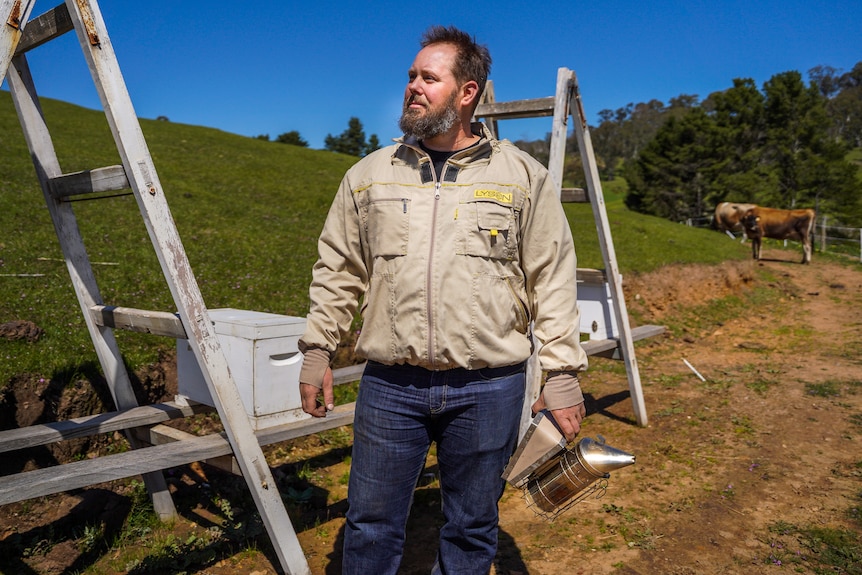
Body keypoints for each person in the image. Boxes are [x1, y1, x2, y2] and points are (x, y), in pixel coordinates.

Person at [297, 25, 588, 575]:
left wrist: (563, 375)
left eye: (429, 77)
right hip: (389, 385)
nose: (413, 86)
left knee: (472, 526)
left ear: (467, 92)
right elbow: (338, 270)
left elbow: (551, 278)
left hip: (488, 387)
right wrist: (318, 351)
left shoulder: (523, 178)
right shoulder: (368, 177)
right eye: (410, 76)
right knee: (370, 524)